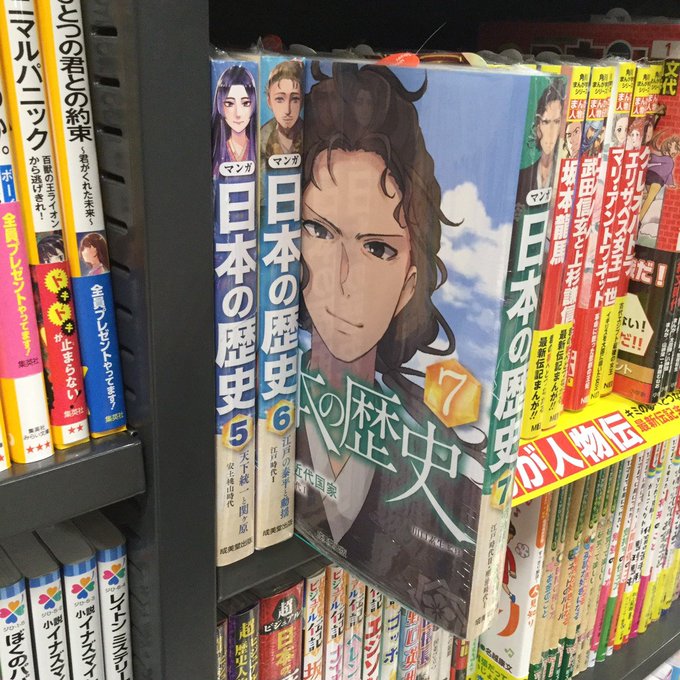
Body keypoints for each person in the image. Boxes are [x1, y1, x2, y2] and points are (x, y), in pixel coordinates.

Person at [296, 61, 486, 629]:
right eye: (319, 231)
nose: (344, 278)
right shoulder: (258, 403)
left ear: (409, 280)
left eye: (377, 248)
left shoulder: (442, 465)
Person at [516, 82, 564, 201]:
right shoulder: (523, 175)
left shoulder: (564, 175)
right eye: (546, 122)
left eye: (556, 122)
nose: (551, 132)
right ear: (538, 126)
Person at [211, 64, 257, 176]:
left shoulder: (259, 148)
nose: (238, 114)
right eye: (229, 103)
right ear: (219, 104)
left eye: (246, 103)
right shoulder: (216, 152)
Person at [260, 60, 303, 161]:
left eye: (295, 99)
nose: (287, 110)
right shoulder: (262, 138)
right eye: (279, 99)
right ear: (269, 101)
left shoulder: (310, 135)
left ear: (302, 102)